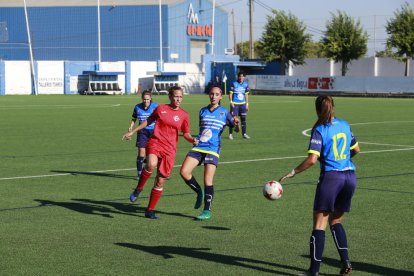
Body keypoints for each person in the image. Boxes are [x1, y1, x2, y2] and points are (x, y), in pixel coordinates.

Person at [279, 95, 360, 276]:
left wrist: (292, 172)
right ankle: (345, 261)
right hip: (350, 178)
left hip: (331, 179)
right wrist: (343, 159)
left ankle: (313, 271)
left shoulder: (319, 130)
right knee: (336, 220)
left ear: (317, 110)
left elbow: (312, 160)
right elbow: (356, 149)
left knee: (319, 225)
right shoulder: (345, 125)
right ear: (334, 107)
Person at [122, 86, 197, 219]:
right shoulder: (161, 108)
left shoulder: (184, 115)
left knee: (160, 181)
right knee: (151, 163)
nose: (178, 99)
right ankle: (139, 188)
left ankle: (149, 210)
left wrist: (192, 140)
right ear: (170, 96)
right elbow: (148, 121)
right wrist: (133, 131)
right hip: (156, 142)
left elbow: (185, 133)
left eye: (180, 96)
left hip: (170, 150)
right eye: (175, 96)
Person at [180, 86, 239, 220]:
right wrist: (194, 139)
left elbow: (235, 130)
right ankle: (198, 192)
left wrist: (237, 124)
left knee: (208, 180)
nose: (213, 96)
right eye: (212, 94)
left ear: (220, 97)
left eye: (216, 94)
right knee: (184, 171)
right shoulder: (202, 111)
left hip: (213, 148)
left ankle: (207, 211)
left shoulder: (225, 112)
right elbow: (203, 130)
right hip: (199, 146)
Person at [128, 90, 158, 179]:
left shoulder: (155, 106)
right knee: (141, 152)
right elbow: (134, 118)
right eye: (144, 99)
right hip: (142, 132)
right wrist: (131, 127)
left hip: (154, 132)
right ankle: (139, 174)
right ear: (142, 99)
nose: (146, 101)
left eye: (148, 99)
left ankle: (162, 173)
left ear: (150, 99)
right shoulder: (137, 107)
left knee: (156, 153)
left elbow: (161, 117)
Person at [228, 72, 250, 140]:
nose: (241, 78)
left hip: (242, 104)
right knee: (233, 119)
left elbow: (246, 95)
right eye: (240, 76)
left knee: (243, 119)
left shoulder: (246, 85)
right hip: (235, 104)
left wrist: (247, 104)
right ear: (238, 77)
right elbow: (230, 93)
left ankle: (244, 134)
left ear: (244, 77)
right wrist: (231, 102)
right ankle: (230, 134)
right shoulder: (234, 83)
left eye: (242, 76)